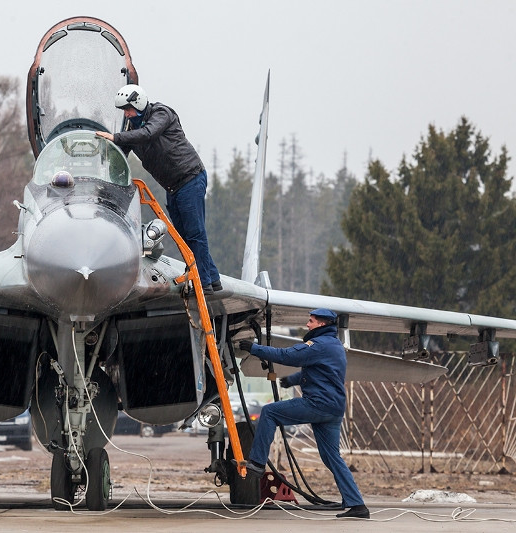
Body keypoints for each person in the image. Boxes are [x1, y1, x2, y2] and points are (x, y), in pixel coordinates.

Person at [238, 308, 370, 519]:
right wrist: (292, 380)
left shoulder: (319, 345)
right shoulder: (334, 345)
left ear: (321, 324)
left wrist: (255, 349)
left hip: (318, 404)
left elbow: (287, 355)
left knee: (270, 412)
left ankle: (257, 463)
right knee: (331, 457)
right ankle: (357, 505)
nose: (307, 325)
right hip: (334, 408)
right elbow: (321, 373)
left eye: (311, 321)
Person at [95, 84, 221, 295]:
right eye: (124, 111)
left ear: (139, 103)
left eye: (128, 109)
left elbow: (149, 133)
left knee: (195, 233)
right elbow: (118, 154)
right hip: (172, 187)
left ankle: (204, 283)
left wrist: (116, 137)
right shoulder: (132, 131)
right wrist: (102, 157)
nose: (127, 114)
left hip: (190, 178)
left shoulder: (162, 114)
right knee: (184, 237)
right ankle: (213, 278)